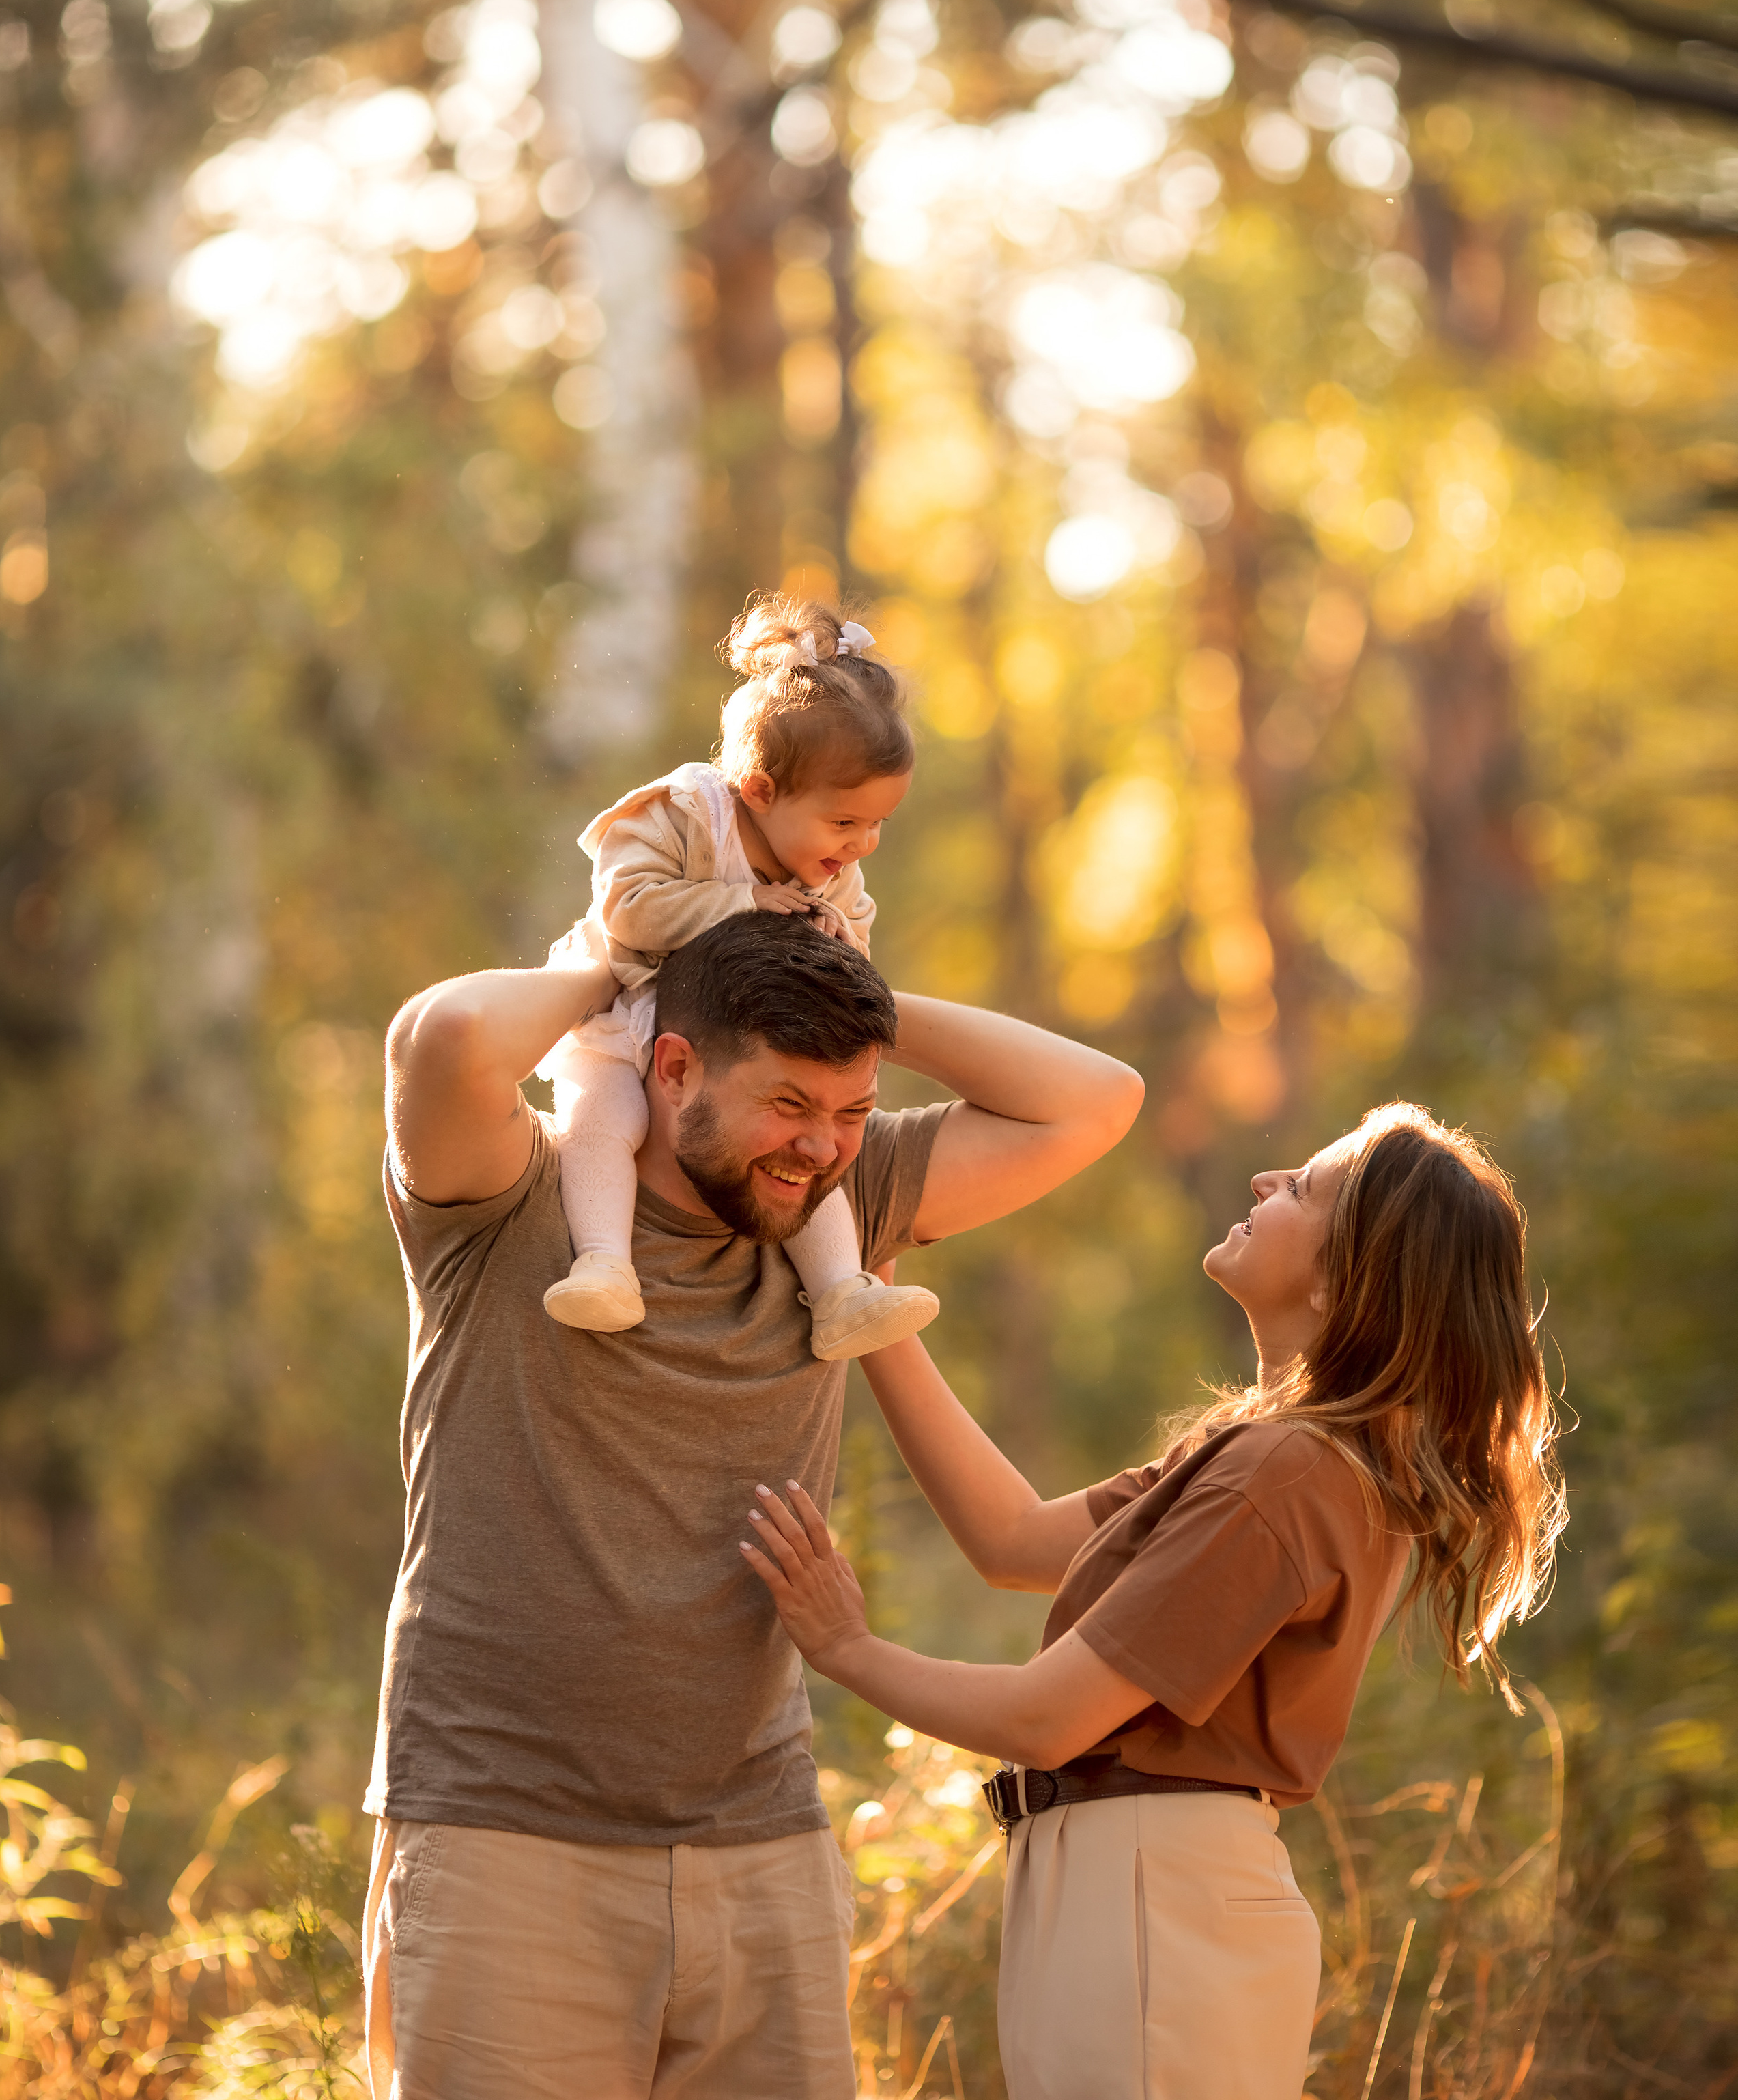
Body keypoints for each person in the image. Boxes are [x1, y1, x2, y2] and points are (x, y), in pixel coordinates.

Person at [363, 907, 1143, 2100]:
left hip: (758, 1842)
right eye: (789, 1102)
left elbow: (1097, 1099)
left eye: (851, 1109)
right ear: (674, 1065)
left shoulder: (839, 1205)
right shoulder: (515, 1195)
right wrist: (624, 967)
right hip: (501, 1838)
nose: (821, 1146)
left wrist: (863, 1000)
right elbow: (446, 1034)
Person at [743, 1100, 1567, 2100]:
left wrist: (847, 1646)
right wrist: (861, 1301)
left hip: (1151, 1893)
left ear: (1344, 1277)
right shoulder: (1269, 1454)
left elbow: (1047, 1720)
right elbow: (1012, 1539)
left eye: (1303, 1187)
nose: (1266, 1181)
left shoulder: (1287, 1473)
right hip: (1129, 1888)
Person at [538, 593, 937, 1365]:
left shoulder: (833, 871)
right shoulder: (684, 816)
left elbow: (852, 948)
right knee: (601, 1122)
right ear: (759, 790)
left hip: (733, 1047)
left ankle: (840, 1293)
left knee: (805, 1148)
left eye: (878, 823)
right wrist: (746, 901)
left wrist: (834, 941)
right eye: (846, 822)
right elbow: (628, 909)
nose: (863, 845)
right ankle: (604, 1264)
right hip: (624, 1014)